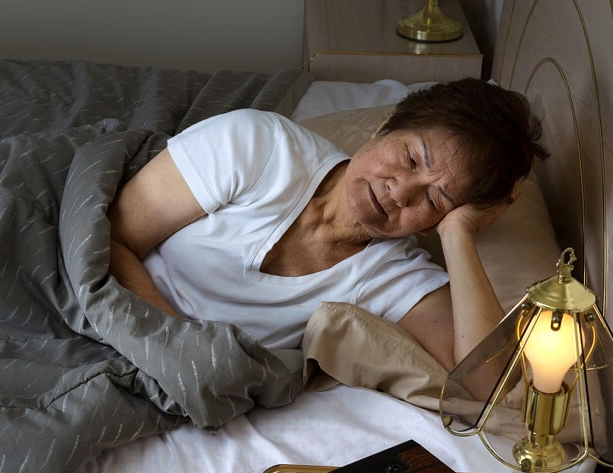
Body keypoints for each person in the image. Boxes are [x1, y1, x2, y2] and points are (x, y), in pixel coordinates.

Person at [107, 78, 549, 370]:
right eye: (412, 158)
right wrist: (183, 353)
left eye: (435, 198)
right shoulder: (260, 146)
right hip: (105, 305)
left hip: (163, 366)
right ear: (383, 128)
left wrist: (460, 235)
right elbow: (111, 235)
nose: (400, 191)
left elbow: (485, 384)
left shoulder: (393, 277)